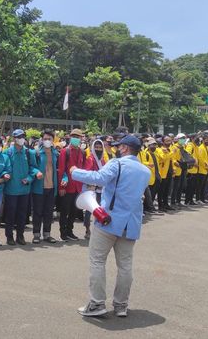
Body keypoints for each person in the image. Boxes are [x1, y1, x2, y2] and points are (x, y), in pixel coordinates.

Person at [70, 135, 151, 318]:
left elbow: (99, 178)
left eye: (118, 146)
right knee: (125, 266)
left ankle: (97, 303)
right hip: (131, 225)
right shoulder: (145, 171)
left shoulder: (117, 163)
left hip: (109, 220)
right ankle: (121, 305)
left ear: (124, 148)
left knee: (97, 261)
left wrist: (75, 171)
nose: (114, 148)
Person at [3, 129, 39, 246]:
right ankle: (9, 236)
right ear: (14, 138)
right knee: (10, 214)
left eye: (23, 136)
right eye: (19, 137)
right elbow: (3, 168)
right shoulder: (7, 153)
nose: (21, 139)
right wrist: (5, 175)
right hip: (11, 189)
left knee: (22, 214)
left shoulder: (29, 153)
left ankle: (20, 235)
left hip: (24, 189)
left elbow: (33, 168)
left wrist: (29, 178)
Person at [57, 129, 85, 241]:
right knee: (64, 211)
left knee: (74, 211)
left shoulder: (82, 152)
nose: (76, 138)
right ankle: (63, 233)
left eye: (78, 137)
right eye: (74, 136)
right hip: (67, 186)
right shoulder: (65, 151)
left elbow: (83, 170)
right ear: (70, 137)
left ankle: (70, 231)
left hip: (78, 187)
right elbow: (61, 169)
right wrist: (61, 187)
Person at [31, 130, 58, 244]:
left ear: (53, 140)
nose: (47, 141)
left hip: (51, 187)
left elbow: (59, 169)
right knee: (37, 212)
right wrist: (36, 172)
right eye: (45, 139)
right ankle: (36, 234)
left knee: (48, 212)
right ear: (41, 140)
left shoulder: (56, 153)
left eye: (49, 139)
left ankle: (47, 234)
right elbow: (31, 167)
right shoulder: (36, 152)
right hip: (39, 187)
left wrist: (64, 178)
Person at [82, 139, 108, 238]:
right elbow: (88, 173)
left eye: (100, 147)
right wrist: (93, 184)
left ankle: (98, 230)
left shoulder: (103, 160)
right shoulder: (90, 159)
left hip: (102, 189)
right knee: (90, 210)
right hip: (92, 188)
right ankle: (87, 229)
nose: (98, 149)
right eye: (96, 147)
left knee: (100, 210)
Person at [155, 136, 175, 212]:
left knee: (167, 190)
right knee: (161, 190)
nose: (169, 142)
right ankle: (161, 206)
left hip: (169, 171)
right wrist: (171, 153)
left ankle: (166, 204)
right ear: (163, 142)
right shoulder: (160, 149)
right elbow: (163, 158)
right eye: (167, 141)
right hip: (163, 172)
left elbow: (172, 159)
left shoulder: (170, 149)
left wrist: (173, 169)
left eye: (170, 140)